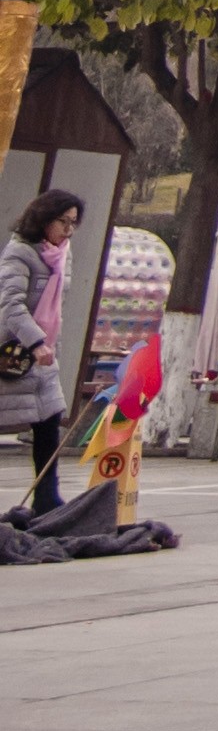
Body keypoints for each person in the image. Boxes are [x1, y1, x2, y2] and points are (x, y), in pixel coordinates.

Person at [0, 192, 80, 512]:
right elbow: (10, 305)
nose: (69, 230)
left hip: (45, 355)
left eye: (74, 223)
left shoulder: (63, 254)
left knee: (49, 422)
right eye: (63, 221)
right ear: (44, 219)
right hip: (13, 353)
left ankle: (47, 497)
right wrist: (35, 342)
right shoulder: (19, 252)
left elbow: (57, 307)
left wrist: (47, 346)